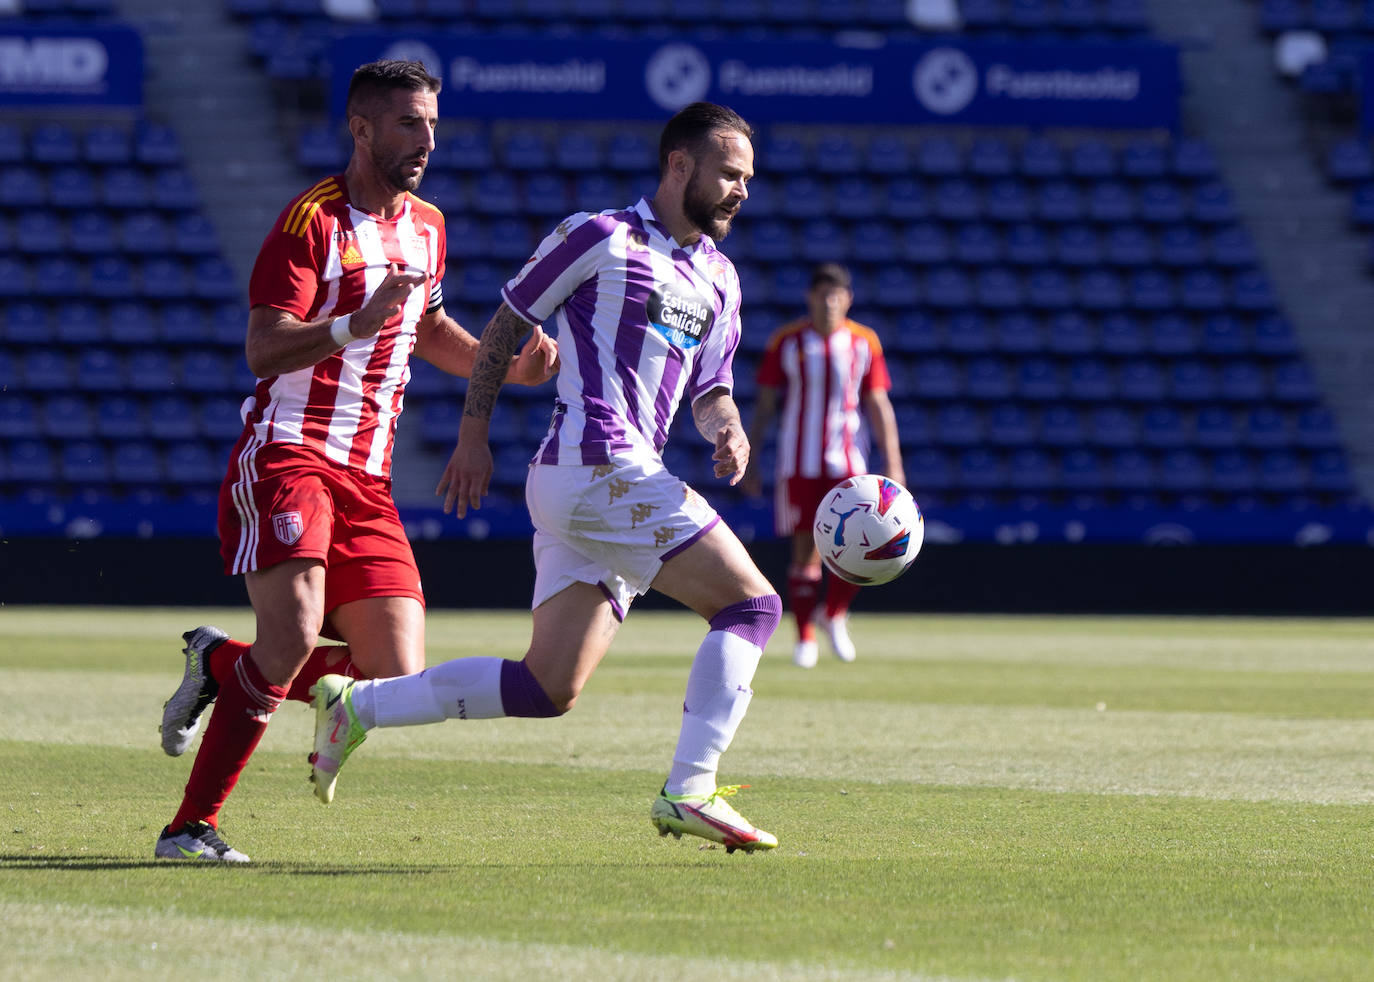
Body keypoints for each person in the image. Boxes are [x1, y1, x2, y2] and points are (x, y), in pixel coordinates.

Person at [305, 101, 784, 854]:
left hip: (606, 482)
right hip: (596, 466)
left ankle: (359, 707)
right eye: (729, 174)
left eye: (748, 179)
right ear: (679, 166)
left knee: (546, 687)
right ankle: (690, 787)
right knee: (752, 606)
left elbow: (711, 389)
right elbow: (505, 325)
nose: (741, 191)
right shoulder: (598, 236)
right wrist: (472, 434)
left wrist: (727, 428)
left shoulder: (720, 280)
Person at [152, 59, 557, 864]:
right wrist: (350, 324)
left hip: (367, 478)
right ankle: (189, 828)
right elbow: (263, 348)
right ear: (361, 128)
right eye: (410, 124)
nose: (427, 141)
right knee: (296, 632)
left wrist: (504, 367)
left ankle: (221, 662)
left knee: (395, 674)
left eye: (433, 125)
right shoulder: (310, 222)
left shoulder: (429, 226)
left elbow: (428, 329)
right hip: (291, 452)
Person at [742, 262, 903, 669]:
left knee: (864, 546)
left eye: (837, 295)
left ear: (848, 299)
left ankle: (832, 615)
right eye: (822, 294)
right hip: (799, 461)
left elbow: (878, 404)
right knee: (804, 548)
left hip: (849, 462)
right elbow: (765, 404)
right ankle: (805, 636)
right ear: (810, 297)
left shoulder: (865, 342)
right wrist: (753, 455)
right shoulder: (788, 341)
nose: (830, 302)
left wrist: (894, 464)